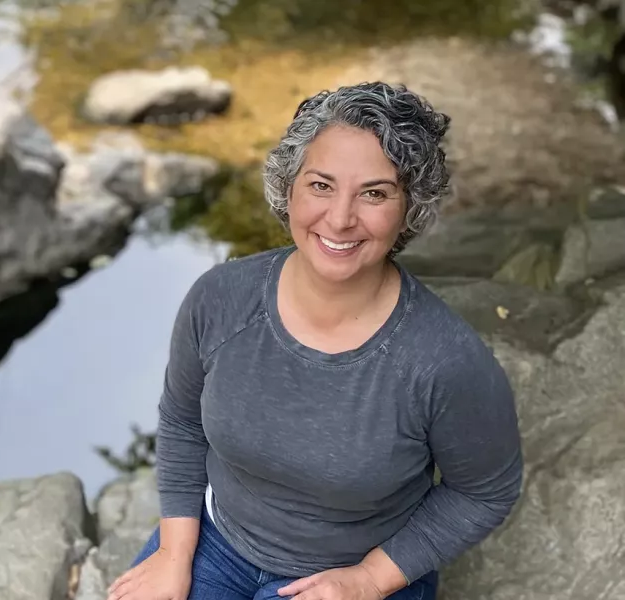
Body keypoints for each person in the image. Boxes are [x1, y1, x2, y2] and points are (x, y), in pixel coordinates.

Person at [107, 82, 524, 600]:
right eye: (321, 185)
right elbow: (182, 422)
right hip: (217, 541)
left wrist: (371, 580)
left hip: (351, 572)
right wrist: (174, 554)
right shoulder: (219, 299)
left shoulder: (442, 360)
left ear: (409, 206)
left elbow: (484, 491)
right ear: (289, 187)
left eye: (374, 192)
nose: (341, 218)